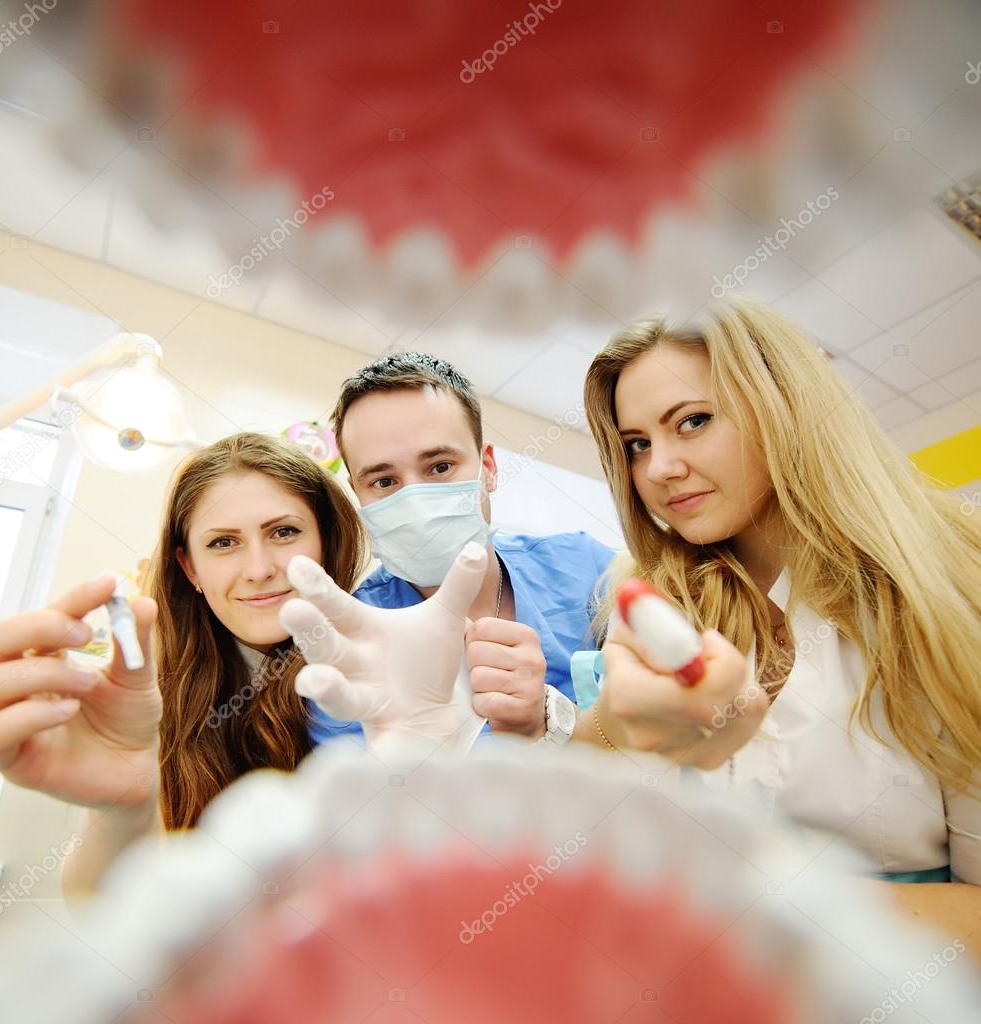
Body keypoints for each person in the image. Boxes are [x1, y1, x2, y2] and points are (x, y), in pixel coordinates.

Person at [580, 297, 981, 949]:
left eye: (693, 421)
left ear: (783, 407)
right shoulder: (654, 605)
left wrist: (763, 898)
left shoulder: (948, 591)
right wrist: (611, 726)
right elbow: (585, 815)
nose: (659, 468)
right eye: (637, 445)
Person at [0, 433, 368, 892]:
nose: (259, 569)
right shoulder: (150, 704)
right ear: (190, 568)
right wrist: (121, 808)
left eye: (283, 532)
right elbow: (97, 901)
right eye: (223, 542)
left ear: (327, 541)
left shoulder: (377, 669)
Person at [309, 352, 617, 745]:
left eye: (440, 467)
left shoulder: (587, 569)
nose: (416, 504)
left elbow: (671, 730)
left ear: (488, 468)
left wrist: (553, 723)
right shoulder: (345, 648)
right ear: (358, 493)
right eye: (384, 482)